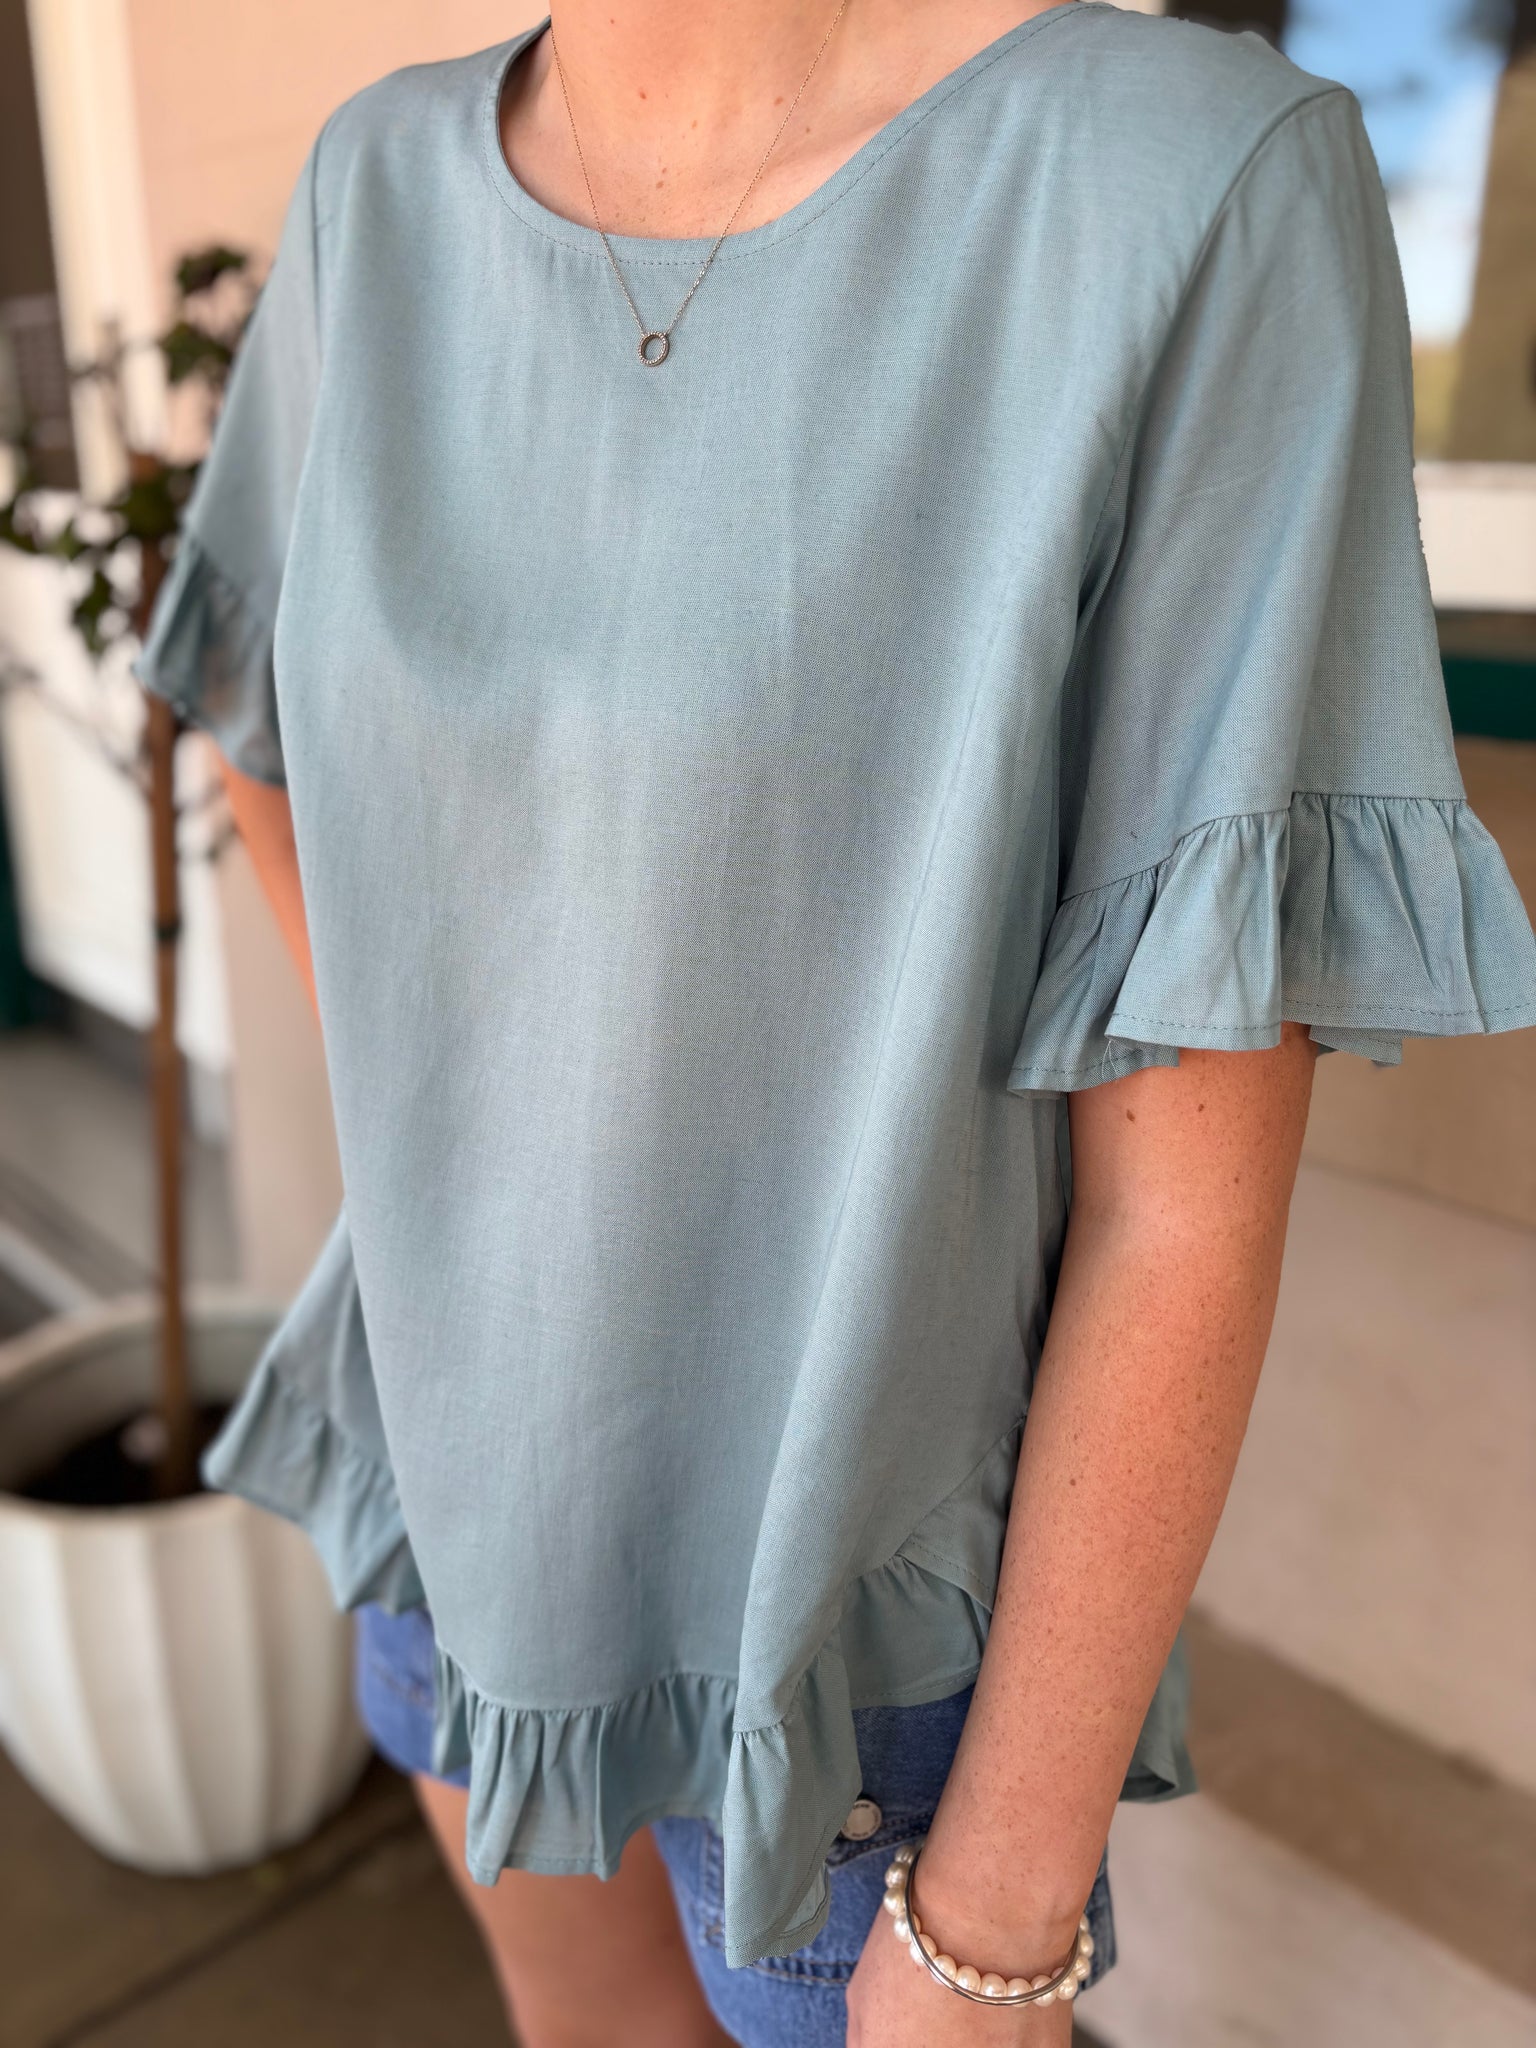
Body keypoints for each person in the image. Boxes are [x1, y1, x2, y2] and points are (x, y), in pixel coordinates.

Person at [136, 3, 1536, 2044]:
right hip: (445, 1497)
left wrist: (993, 1924)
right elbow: (262, 729)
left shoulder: (1183, 187)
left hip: (839, 1666)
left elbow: (1184, 1196)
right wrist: (488, 1150)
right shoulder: (379, 184)